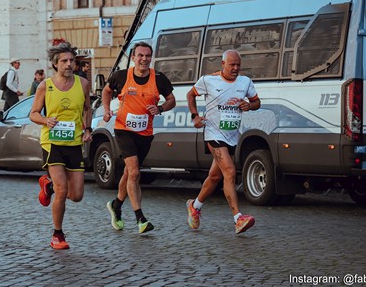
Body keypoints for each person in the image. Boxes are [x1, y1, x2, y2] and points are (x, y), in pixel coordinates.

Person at [102, 41, 176, 234]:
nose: (144, 59)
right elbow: (106, 91)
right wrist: (107, 110)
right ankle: (140, 219)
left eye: (147, 56)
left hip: (145, 133)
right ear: (133, 57)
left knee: (129, 174)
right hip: (124, 130)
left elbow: (171, 100)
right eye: (140, 55)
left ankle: (116, 205)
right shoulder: (121, 76)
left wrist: (159, 108)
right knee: (134, 173)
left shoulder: (159, 78)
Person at [186, 49, 260, 234]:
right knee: (229, 171)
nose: (235, 68)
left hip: (231, 135)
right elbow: (190, 94)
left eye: (238, 65)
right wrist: (195, 116)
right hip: (213, 133)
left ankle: (194, 206)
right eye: (232, 64)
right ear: (223, 64)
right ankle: (238, 218)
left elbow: (257, 102)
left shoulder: (245, 82)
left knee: (215, 176)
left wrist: (249, 105)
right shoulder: (208, 80)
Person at [29, 41, 92, 250]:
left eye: (71, 60)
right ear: (55, 64)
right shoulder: (44, 86)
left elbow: (87, 108)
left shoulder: (82, 84)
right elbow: (33, 114)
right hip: (52, 142)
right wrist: (46, 120)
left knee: (77, 195)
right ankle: (57, 235)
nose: (69, 64)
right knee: (62, 189)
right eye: (64, 61)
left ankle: (46, 183)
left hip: (74, 142)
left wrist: (88, 129)